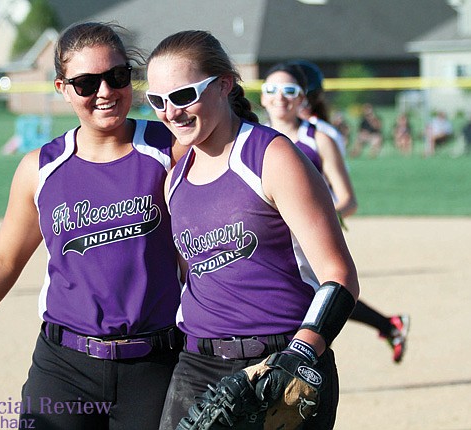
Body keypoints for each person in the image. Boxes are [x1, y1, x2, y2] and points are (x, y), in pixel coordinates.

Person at [0, 22, 185, 430]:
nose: (105, 92)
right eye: (87, 83)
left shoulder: (172, 150)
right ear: (62, 89)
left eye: (117, 75)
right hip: (64, 369)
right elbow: (3, 260)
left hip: (155, 365)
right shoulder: (41, 169)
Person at [146, 30, 360, 430]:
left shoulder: (271, 157)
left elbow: (340, 277)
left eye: (182, 95)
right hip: (198, 365)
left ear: (224, 83)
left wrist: (299, 357)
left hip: (284, 357)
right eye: (157, 101)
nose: (170, 112)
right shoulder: (175, 176)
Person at [287, 60, 410, 364]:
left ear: (304, 94)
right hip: (284, 229)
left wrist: (316, 218)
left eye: (290, 90)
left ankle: (305, 360)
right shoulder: (268, 132)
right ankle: (389, 324)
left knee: (325, 291)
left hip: (310, 229)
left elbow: (340, 190)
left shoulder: (320, 134)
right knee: (316, 293)